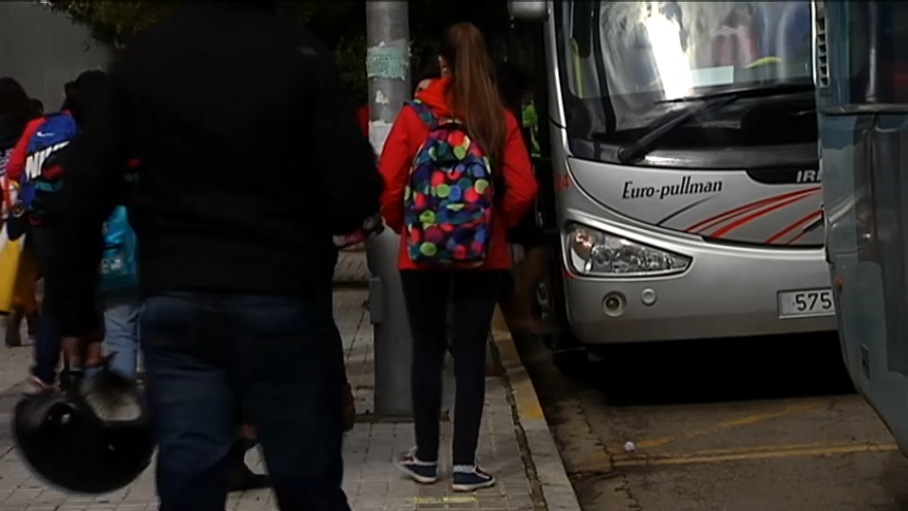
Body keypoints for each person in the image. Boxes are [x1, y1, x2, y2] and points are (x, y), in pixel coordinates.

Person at [46, 2, 381, 510]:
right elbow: (351, 193)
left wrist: (77, 315)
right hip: (281, 297)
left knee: (190, 474)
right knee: (306, 476)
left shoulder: (145, 58)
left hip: (178, 299)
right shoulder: (299, 54)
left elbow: (82, 192)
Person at [378, 23, 537, 491]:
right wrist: (490, 224)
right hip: (482, 256)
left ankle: (426, 459)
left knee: (426, 352)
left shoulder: (414, 117)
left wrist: (407, 228)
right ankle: (465, 466)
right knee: (469, 354)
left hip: (420, 255)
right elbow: (524, 189)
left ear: (442, 63)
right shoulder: (498, 118)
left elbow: (388, 185)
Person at [496, 61, 548, 335]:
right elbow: (523, 184)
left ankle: (519, 310)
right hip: (510, 202)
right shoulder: (507, 122)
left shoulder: (497, 118)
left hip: (504, 203)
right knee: (536, 245)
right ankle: (520, 310)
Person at [0, 78, 40, 349]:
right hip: (20, 194)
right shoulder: (28, 125)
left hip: (0, 193)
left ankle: (27, 316)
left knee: (13, 261)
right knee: (23, 260)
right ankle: (24, 314)